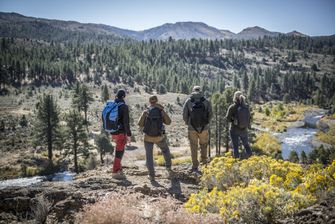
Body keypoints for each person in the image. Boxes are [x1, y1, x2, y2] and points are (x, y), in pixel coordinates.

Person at [138, 95, 172, 181]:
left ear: (149, 101)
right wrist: (162, 111)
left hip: (148, 137)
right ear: (156, 101)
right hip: (159, 137)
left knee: (149, 155)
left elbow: (140, 124)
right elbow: (168, 122)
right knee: (165, 150)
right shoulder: (160, 110)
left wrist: (143, 115)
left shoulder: (146, 111)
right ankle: (168, 168)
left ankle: (152, 175)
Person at [183, 86, 212, 174]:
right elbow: (210, 114)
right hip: (204, 128)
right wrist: (206, 123)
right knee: (204, 145)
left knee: (193, 147)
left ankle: (195, 166)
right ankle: (204, 164)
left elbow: (184, 115)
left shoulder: (188, 101)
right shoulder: (206, 101)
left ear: (193, 91)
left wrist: (188, 123)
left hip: (192, 128)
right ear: (201, 91)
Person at [110, 89, 132, 179]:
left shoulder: (112, 105)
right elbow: (126, 122)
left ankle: (118, 167)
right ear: (123, 96)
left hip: (113, 132)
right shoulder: (124, 106)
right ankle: (115, 171)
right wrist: (129, 134)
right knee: (119, 151)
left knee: (119, 149)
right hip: (121, 132)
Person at [226, 91, 252, 159]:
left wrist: (233, 120)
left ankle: (237, 162)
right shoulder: (246, 106)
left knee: (235, 147)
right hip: (244, 130)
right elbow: (249, 117)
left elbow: (227, 118)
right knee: (246, 145)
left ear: (234, 97)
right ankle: (252, 159)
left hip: (234, 130)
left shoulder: (232, 107)